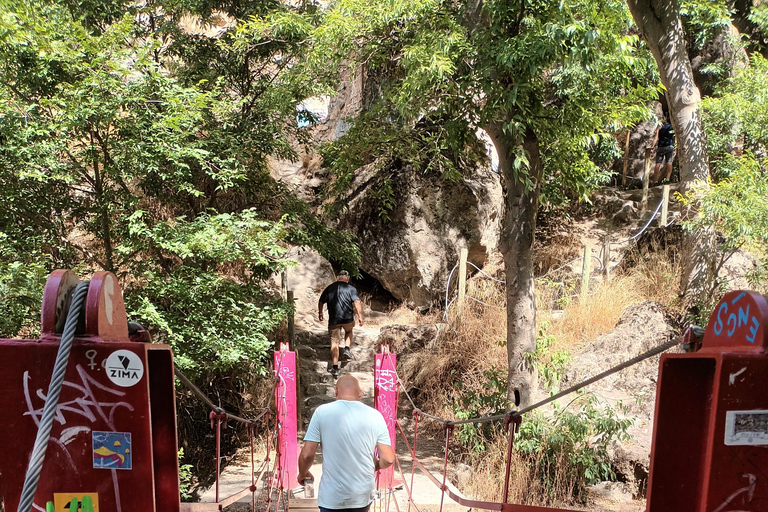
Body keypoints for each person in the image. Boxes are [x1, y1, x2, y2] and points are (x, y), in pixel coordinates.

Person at [297, 375, 395, 512]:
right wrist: (376, 465)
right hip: (362, 496)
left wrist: (303, 473)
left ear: (336, 391)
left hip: (332, 497)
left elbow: (306, 455)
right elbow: (389, 459)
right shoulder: (375, 416)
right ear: (360, 394)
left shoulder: (321, 412)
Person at [318, 270, 363, 378]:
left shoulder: (330, 288)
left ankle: (334, 367)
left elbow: (321, 301)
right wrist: (360, 316)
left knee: (334, 343)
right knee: (349, 330)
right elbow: (357, 302)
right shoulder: (351, 288)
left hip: (334, 320)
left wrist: (320, 313)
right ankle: (347, 348)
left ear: (338, 278)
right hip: (347, 318)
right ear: (347, 279)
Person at [650, 114, 676, 184]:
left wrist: (652, 147)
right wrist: (675, 149)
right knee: (669, 163)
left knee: (658, 164)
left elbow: (656, 138)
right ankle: (667, 180)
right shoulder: (673, 127)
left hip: (661, 147)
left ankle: (655, 181)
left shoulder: (660, 126)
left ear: (666, 118)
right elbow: (675, 138)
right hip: (670, 146)